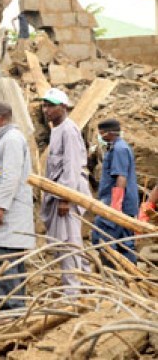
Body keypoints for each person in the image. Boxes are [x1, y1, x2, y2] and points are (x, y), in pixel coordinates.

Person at [0, 101, 35, 310]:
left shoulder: (11, 140)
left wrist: (0, 207)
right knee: (9, 273)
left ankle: (12, 319)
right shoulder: (7, 139)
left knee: (6, 274)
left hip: (7, 221)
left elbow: (11, 177)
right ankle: (15, 318)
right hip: (6, 224)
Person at [39, 88, 91, 296]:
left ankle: (73, 291)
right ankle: (87, 284)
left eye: (50, 105)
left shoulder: (69, 130)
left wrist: (65, 198)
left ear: (63, 107)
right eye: (44, 105)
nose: (46, 110)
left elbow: (72, 167)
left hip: (67, 197)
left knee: (69, 243)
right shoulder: (57, 129)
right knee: (69, 242)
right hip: (59, 195)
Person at [92, 119, 138, 264]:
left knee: (102, 240)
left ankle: (113, 277)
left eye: (100, 134)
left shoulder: (119, 149)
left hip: (116, 205)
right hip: (125, 205)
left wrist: (115, 206)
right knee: (125, 244)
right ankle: (132, 281)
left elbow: (121, 177)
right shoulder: (120, 147)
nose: (100, 137)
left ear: (108, 133)